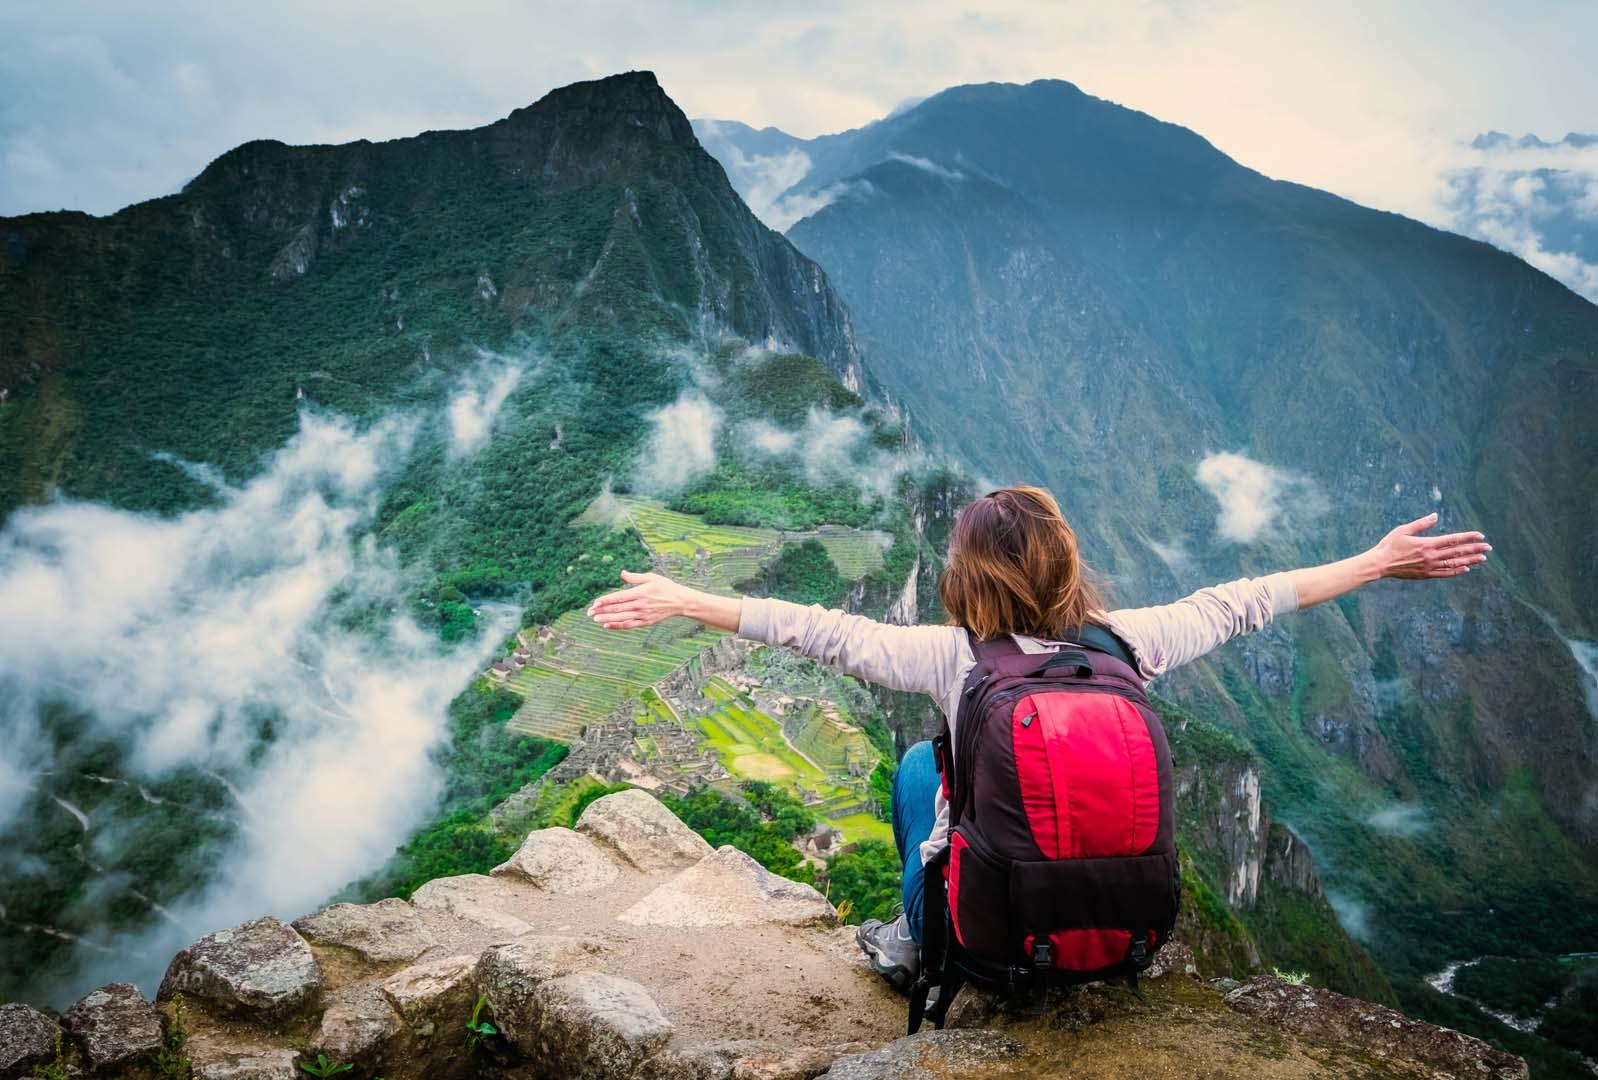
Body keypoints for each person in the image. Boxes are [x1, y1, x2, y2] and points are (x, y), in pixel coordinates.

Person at [587, 486, 1489, 990]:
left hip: (988, 948)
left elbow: (814, 628)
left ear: (963, 580)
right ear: (1067, 568)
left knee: (916, 768)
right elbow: (1248, 599)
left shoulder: (951, 661)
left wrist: (686, 600)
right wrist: (1375, 562)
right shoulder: (1130, 643)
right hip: (1125, 939)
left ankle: (912, 938)